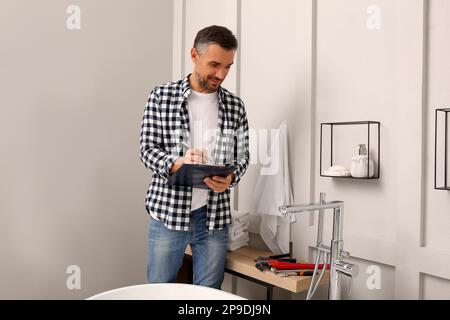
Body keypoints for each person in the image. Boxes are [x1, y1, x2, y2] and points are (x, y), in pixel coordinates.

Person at [139, 25, 250, 289]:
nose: (221, 74)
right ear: (194, 55)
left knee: (208, 296)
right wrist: (177, 162)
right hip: (168, 214)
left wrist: (232, 176)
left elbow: (243, 156)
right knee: (159, 291)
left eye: (228, 66)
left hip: (214, 218)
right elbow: (147, 149)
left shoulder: (235, 106)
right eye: (214, 64)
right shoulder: (161, 96)